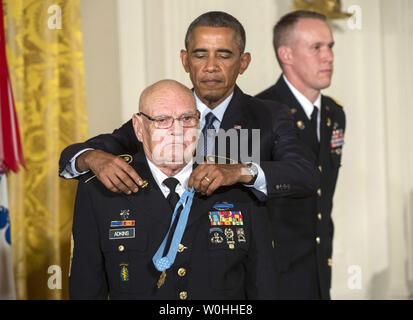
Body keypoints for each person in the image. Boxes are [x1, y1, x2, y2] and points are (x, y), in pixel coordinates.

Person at [59, 11, 320, 203]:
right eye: (200, 54)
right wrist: (91, 158)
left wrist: (240, 171)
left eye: (224, 55)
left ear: (243, 62)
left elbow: (306, 175)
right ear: (185, 60)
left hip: (240, 264)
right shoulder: (158, 116)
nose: (211, 66)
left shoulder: (270, 115)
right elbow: (79, 152)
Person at [69, 79, 278, 299]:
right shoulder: (99, 192)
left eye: (187, 118)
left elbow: (264, 284)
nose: (177, 131)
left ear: (199, 124)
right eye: (162, 120)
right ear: (139, 128)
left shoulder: (237, 187)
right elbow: (87, 287)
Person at [256, 10, 346, 300]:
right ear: (287, 55)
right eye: (316, 47)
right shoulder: (258, 112)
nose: (328, 56)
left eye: (330, 46)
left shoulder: (334, 113)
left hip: (319, 265)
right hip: (275, 271)